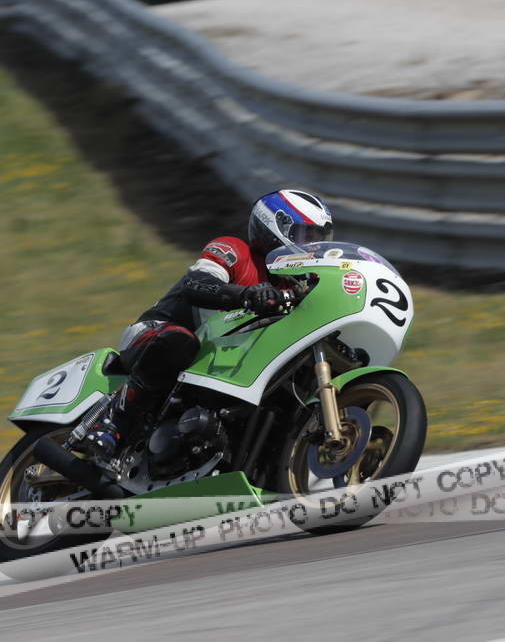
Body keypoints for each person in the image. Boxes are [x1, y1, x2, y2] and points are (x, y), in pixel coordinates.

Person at [79, 188, 334, 461]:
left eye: (318, 239)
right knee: (180, 340)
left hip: (219, 363)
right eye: (306, 235)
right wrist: (246, 294)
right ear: (276, 223)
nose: (311, 245)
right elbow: (195, 283)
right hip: (156, 334)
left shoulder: (290, 282)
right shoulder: (234, 250)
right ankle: (113, 421)